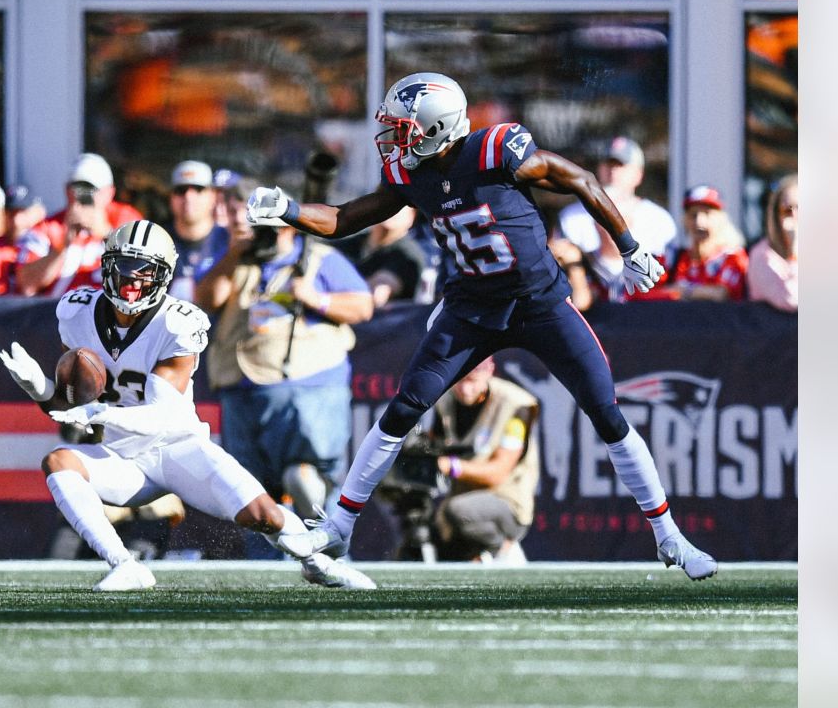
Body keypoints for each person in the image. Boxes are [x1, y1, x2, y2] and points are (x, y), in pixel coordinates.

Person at [246, 72, 717, 580]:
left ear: (436, 128)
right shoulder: (411, 174)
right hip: (471, 308)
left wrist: (630, 247)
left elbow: (581, 179)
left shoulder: (497, 149)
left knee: (606, 411)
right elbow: (344, 217)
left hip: (541, 304)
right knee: (404, 407)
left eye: (402, 129)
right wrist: (288, 210)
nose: (393, 139)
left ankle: (668, 535)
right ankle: (338, 527)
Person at [0, 219, 374, 591]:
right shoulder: (77, 312)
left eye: (146, 272)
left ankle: (318, 562)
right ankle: (125, 564)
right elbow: (65, 407)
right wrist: (39, 386)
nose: (133, 281)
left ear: (164, 275)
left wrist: (101, 412)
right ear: (106, 267)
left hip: (179, 451)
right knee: (58, 461)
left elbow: (164, 418)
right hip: (123, 459)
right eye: (125, 268)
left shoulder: (177, 322)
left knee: (266, 517)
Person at [194, 212, 374, 530]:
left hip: (310, 389)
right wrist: (235, 250)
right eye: (260, 226)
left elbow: (363, 305)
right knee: (251, 494)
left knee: (309, 482)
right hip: (241, 389)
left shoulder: (320, 257)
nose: (268, 234)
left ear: (292, 227)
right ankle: (265, 572)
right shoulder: (236, 260)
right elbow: (207, 299)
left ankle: (328, 555)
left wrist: (316, 298)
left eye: (275, 227)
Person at [414, 356, 539, 564]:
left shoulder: (517, 405)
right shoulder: (445, 401)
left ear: (489, 370)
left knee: (458, 511)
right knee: (433, 528)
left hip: (507, 502)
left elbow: (499, 472)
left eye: (472, 380)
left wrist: (450, 466)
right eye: (460, 380)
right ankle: (477, 556)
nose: (465, 389)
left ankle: (503, 549)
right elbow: (435, 445)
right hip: (460, 499)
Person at [552, 136, 677, 302]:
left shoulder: (658, 219)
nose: (613, 171)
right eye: (608, 164)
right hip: (585, 303)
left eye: (620, 165)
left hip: (643, 308)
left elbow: (669, 274)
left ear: (638, 174)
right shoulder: (572, 217)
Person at [16, 153, 143, 297]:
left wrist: (107, 234)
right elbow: (26, 285)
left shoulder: (125, 219)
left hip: (108, 313)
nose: (82, 195)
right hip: (57, 313)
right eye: (77, 188)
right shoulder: (47, 227)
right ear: (66, 190)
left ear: (109, 192)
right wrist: (62, 247)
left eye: (91, 189)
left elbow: (143, 274)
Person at [639, 185, 749, 302]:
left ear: (721, 219)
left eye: (707, 214)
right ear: (685, 220)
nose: (699, 222)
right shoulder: (675, 259)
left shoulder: (733, 257)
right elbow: (643, 293)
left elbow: (721, 294)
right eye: (693, 215)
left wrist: (682, 291)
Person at [166, 160, 231, 303]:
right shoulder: (157, 240)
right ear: (171, 196)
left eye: (198, 189)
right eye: (181, 190)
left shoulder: (229, 242)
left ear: (213, 195)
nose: (188, 197)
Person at [347, 206, 435, 306]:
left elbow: (379, 291)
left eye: (400, 206)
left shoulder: (408, 255)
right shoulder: (349, 244)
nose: (392, 211)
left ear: (412, 216)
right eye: (386, 201)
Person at [747, 174, 798, 312]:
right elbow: (791, 299)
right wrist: (794, 254)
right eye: (787, 210)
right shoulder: (761, 255)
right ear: (776, 215)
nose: (795, 216)